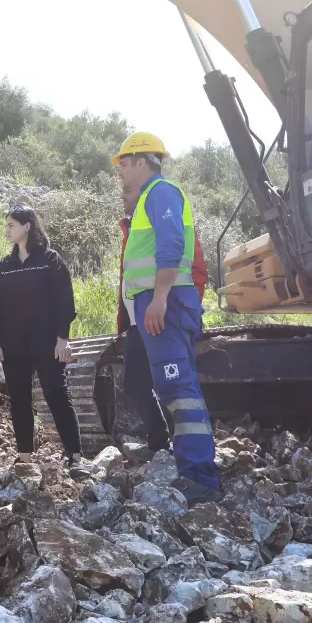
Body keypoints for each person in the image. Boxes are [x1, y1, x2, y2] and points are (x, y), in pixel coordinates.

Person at [113, 131, 222, 505]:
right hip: (159, 302)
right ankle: (191, 466)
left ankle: (200, 478)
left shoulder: (160, 192)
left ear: (142, 162)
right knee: (168, 385)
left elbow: (172, 245)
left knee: (179, 388)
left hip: (168, 301)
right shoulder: (148, 198)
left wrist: (159, 299)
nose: (121, 172)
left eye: (124, 164)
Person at [0, 205, 94, 480]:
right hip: (13, 345)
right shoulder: (6, 265)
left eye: (12, 224)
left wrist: (62, 338)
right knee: (19, 400)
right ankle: (24, 458)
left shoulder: (50, 260)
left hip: (46, 342)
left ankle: (75, 457)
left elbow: (64, 301)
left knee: (57, 394)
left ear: (28, 226)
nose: (7, 229)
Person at [118, 180, 210, 454]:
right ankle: (160, 443)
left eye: (128, 190)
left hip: (164, 315)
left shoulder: (163, 210)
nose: (122, 196)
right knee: (135, 382)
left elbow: (195, 271)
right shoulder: (134, 230)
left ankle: (193, 460)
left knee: (175, 386)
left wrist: (180, 308)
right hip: (140, 321)